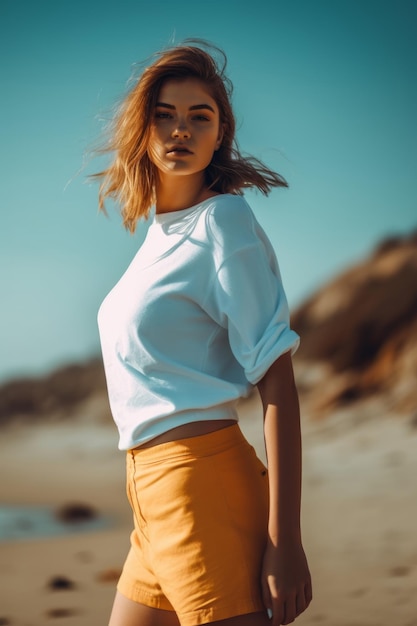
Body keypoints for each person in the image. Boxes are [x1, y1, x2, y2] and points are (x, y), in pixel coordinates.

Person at [95, 41, 312, 626]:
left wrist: (284, 540)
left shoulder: (224, 222)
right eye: (164, 115)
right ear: (143, 129)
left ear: (221, 134)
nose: (180, 131)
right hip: (149, 499)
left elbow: (278, 386)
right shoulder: (159, 238)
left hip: (200, 487)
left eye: (200, 117)